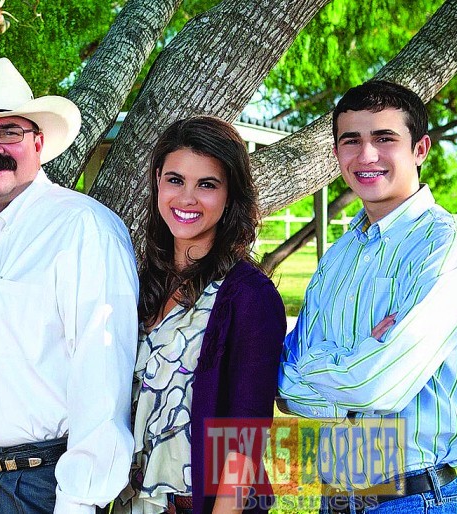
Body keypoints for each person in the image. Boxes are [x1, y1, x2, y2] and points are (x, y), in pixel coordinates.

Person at [0, 57, 140, 514]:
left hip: (35, 487)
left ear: (38, 141)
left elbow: (102, 378)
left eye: (9, 132)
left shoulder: (81, 227)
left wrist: (78, 501)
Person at [279, 80, 457, 514]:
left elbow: (374, 387)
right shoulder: (341, 253)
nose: (366, 155)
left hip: (409, 496)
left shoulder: (445, 250)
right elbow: (285, 389)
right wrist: (359, 356)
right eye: (351, 140)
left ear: (420, 149)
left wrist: (324, 365)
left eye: (384, 138)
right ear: (337, 154)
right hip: (336, 492)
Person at [115, 116, 284, 514]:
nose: (187, 198)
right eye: (175, 180)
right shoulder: (138, 287)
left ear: (231, 195)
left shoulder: (249, 297)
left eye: (207, 184)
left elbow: (245, 437)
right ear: (158, 180)